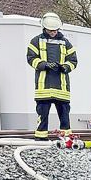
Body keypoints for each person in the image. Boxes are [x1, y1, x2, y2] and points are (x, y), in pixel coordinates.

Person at [26, 12, 77, 140]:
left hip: (61, 86)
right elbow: (31, 58)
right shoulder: (36, 41)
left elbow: (73, 61)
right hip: (44, 86)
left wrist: (64, 67)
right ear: (44, 28)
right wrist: (44, 65)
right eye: (51, 30)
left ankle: (66, 138)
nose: (53, 32)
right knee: (42, 113)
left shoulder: (66, 43)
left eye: (55, 30)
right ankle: (41, 137)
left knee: (64, 114)